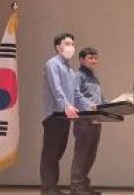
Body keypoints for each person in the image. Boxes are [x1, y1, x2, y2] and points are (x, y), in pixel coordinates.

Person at [41, 33, 94, 195]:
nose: (71, 47)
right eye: (68, 43)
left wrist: (91, 106)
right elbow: (56, 90)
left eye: (73, 44)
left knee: (58, 153)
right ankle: (47, 188)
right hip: (54, 116)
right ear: (58, 47)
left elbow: (77, 94)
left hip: (64, 117)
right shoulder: (53, 64)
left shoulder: (69, 69)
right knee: (50, 153)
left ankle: (53, 187)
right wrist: (66, 106)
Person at [71, 47, 105, 195]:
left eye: (96, 58)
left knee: (90, 155)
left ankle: (84, 185)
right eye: (90, 58)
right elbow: (75, 96)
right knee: (81, 155)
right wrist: (90, 105)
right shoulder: (78, 76)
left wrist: (116, 103)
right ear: (81, 60)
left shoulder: (94, 78)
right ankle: (76, 188)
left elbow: (100, 100)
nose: (94, 61)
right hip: (84, 121)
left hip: (96, 121)